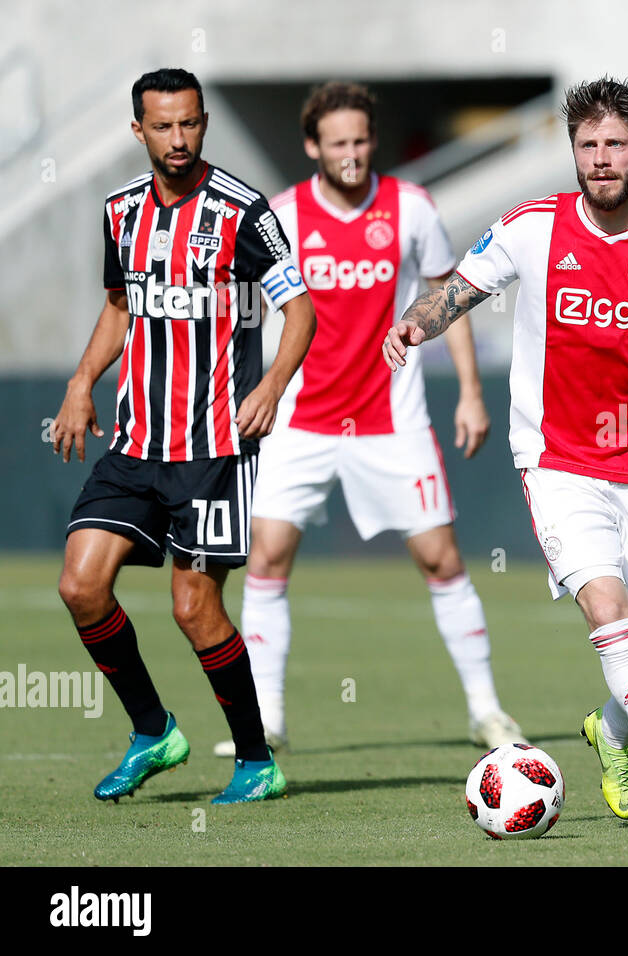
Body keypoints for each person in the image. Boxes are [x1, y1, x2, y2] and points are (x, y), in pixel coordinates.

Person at [384, 77, 628, 829]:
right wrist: (412, 325)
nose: (599, 158)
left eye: (614, 145)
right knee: (612, 614)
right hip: (556, 462)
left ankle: (609, 728)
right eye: (586, 145)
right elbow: (456, 290)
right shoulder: (532, 226)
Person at [212, 82, 524, 756]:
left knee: (441, 558)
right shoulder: (283, 215)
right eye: (338, 143)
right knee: (266, 558)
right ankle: (264, 721)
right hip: (301, 420)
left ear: (372, 140)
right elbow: (246, 309)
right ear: (311, 146)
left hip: (392, 419)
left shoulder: (412, 207)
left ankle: (486, 710)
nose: (352, 155)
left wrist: (471, 392)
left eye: (361, 141)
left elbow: (450, 295)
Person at [52, 68, 315, 804]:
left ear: (204, 122)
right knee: (81, 585)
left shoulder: (242, 209)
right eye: (163, 126)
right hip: (136, 442)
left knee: (194, 607)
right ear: (138, 129)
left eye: (190, 124)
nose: (178, 139)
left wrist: (270, 387)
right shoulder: (119, 210)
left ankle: (258, 761)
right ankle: (153, 731)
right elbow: (118, 306)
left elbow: (299, 310)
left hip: (214, 448)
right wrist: (81, 383)